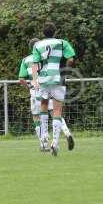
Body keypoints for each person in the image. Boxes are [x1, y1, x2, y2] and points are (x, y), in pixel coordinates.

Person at [19, 38, 74, 151]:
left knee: (36, 117)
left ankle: (43, 144)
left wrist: (30, 86)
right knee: (56, 113)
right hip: (51, 83)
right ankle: (66, 132)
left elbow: (21, 78)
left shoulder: (26, 60)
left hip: (36, 90)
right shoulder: (47, 56)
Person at [32, 22, 76, 156]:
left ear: (43, 33)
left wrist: (35, 79)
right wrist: (66, 69)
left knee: (43, 107)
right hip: (58, 78)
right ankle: (55, 143)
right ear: (54, 32)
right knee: (57, 110)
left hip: (44, 79)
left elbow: (35, 64)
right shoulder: (62, 43)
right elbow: (71, 59)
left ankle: (44, 136)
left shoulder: (37, 45)